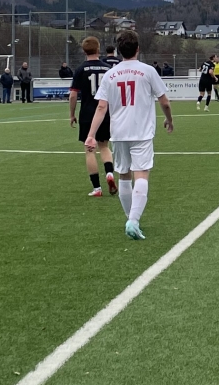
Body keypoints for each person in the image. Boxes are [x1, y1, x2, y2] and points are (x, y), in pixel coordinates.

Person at [85, 29, 172, 240]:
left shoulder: (110, 74)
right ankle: (133, 221)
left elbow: (101, 107)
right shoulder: (148, 71)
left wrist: (91, 134)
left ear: (119, 50)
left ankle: (130, 218)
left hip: (119, 132)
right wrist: (169, 120)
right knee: (141, 174)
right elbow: (164, 101)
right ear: (138, 49)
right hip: (141, 131)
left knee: (124, 175)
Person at [70, 36, 118, 198]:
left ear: (84, 51)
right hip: (105, 113)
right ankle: (109, 173)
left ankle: (97, 188)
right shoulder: (108, 69)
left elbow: (73, 95)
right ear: (98, 49)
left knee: (89, 150)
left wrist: (72, 114)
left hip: (87, 113)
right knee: (104, 146)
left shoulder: (80, 69)